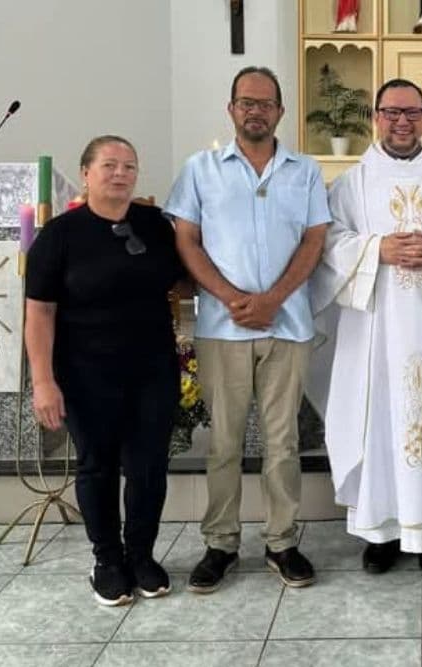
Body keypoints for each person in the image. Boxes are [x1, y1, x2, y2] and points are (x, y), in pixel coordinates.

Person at [308, 78, 422, 578]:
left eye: (412, 112)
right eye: (392, 112)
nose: (402, 122)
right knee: (378, 423)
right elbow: (327, 243)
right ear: (376, 116)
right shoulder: (352, 183)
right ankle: (381, 533)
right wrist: (377, 251)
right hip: (374, 331)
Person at [165, 66, 330, 593]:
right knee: (225, 444)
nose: (255, 110)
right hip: (222, 326)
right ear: (231, 108)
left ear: (281, 111)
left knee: (283, 442)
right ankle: (221, 542)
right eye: (245, 102)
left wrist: (272, 300)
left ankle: (282, 542)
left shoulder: (304, 171)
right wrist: (233, 298)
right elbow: (187, 240)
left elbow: (314, 240)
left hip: (288, 325)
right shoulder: (200, 169)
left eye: (265, 102)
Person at [25, 135, 183, 606]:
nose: (120, 174)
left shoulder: (154, 225)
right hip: (85, 371)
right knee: (98, 466)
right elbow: (39, 313)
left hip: (152, 367)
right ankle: (106, 560)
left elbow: (186, 273)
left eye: (130, 166)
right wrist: (43, 381)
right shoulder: (59, 235)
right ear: (87, 173)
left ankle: (141, 555)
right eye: (109, 165)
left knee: (149, 466)